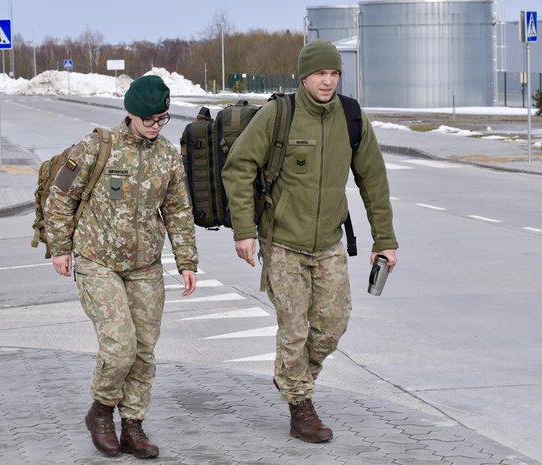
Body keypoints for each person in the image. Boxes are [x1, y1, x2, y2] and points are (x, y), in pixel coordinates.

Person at [222, 40, 398, 443]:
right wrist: (244, 231)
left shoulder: (351, 117)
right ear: (304, 76)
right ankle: (300, 406)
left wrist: (384, 239)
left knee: (333, 326)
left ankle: (290, 376)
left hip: (329, 242)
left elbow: (373, 179)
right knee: (295, 328)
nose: (328, 81)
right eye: (321, 73)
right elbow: (239, 167)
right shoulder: (279, 114)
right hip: (282, 241)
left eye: (334, 73)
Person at [45, 75, 198, 459]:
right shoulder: (97, 147)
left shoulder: (167, 156)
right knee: (120, 346)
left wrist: (186, 260)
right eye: (149, 119)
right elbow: (61, 196)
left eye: (162, 119)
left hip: (145, 266)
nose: (156, 126)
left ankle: (133, 425)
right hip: (98, 262)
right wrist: (60, 247)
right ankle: (100, 412)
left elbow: (178, 210)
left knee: (144, 350)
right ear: (130, 113)